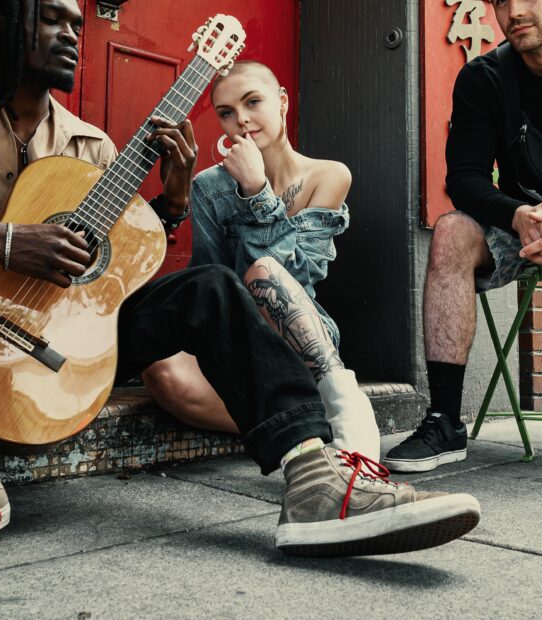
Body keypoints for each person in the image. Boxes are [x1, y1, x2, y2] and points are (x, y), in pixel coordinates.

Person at [0, 0, 481, 569]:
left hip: (62, 336)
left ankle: (315, 476)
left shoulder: (88, 144)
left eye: (78, 23)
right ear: (1, 21)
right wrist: (2, 241)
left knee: (209, 286)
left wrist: (175, 201)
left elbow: (115, 263)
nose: (72, 35)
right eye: (51, 20)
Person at [384, 0, 542, 472]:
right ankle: (444, 420)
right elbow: (464, 179)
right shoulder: (483, 78)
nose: (514, 10)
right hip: (525, 226)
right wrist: (517, 216)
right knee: (452, 230)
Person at [143, 61, 382, 459]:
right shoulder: (209, 186)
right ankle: (306, 422)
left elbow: (296, 276)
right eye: (226, 112)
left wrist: (256, 191)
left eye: (253, 102)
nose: (241, 119)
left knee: (266, 272)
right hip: (235, 342)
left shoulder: (328, 176)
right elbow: (211, 278)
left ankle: (344, 408)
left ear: (282, 101)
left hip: (299, 339)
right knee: (164, 374)